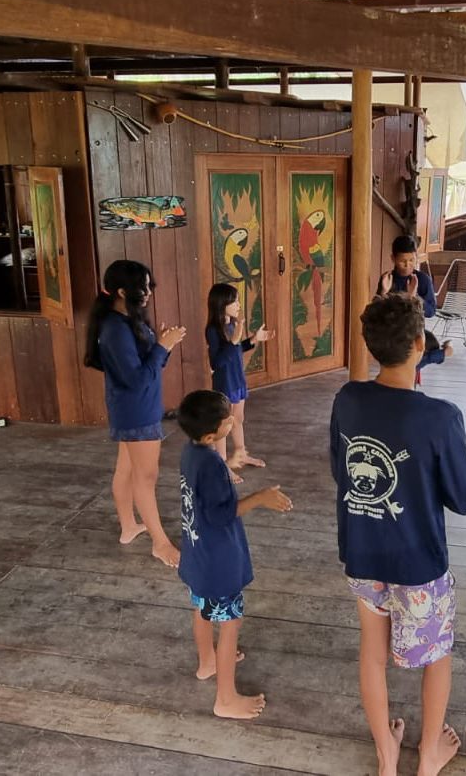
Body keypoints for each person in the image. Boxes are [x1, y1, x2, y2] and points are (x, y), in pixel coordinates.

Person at [330, 293, 466, 776]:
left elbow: (343, 472)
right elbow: (465, 497)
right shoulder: (439, 417)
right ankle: (429, 752)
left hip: (362, 552)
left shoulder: (347, 399)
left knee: (372, 654)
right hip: (418, 563)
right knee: (436, 655)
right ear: (420, 344)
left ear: (370, 345)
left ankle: (385, 754)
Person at [176, 389, 293, 720]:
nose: (233, 420)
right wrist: (260, 497)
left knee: (201, 608)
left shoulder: (191, 451)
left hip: (197, 558)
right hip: (218, 564)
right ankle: (225, 699)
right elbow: (220, 514)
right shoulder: (209, 461)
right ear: (213, 434)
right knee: (230, 623)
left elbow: (206, 494)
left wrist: (227, 463)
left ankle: (206, 663)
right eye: (228, 420)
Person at [84, 259, 185, 568]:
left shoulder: (128, 320)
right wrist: (162, 348)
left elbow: (150, 370)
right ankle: (160, 543)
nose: (148, 294)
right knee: (146, 476)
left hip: (137, 408)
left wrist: (162, 346)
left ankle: (129, 527)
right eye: (143, 288)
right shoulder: (114, 328)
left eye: (149, 286)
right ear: (120, 291)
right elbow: (138, 379)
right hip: (136, 412)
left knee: (127, 469)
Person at [206, 283, 274, 476]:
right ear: (221, 304)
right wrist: (235, 338)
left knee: (238, 419)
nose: (238, 305)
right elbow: (217, 361)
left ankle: (241, 454)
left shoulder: (231, 326)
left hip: (238, 380)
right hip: (225, 383)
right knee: (224, 424)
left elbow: (235, 350)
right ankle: (223, 465)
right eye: (233, 301)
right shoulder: (213, 329)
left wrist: (253, 339)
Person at [377, 234, 453, 370]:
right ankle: (443, 353)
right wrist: (383, 292)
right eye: (402, 261)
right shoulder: (387, 279)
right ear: (393, 259)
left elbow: (431, 312)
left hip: (414, 332)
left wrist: (414, 296)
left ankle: (440, 353)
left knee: (412, 360)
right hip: (392, 333)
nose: (407, 265)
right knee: (402, 364)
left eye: (412, 260)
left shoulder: (422, 280)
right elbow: (376, 313)